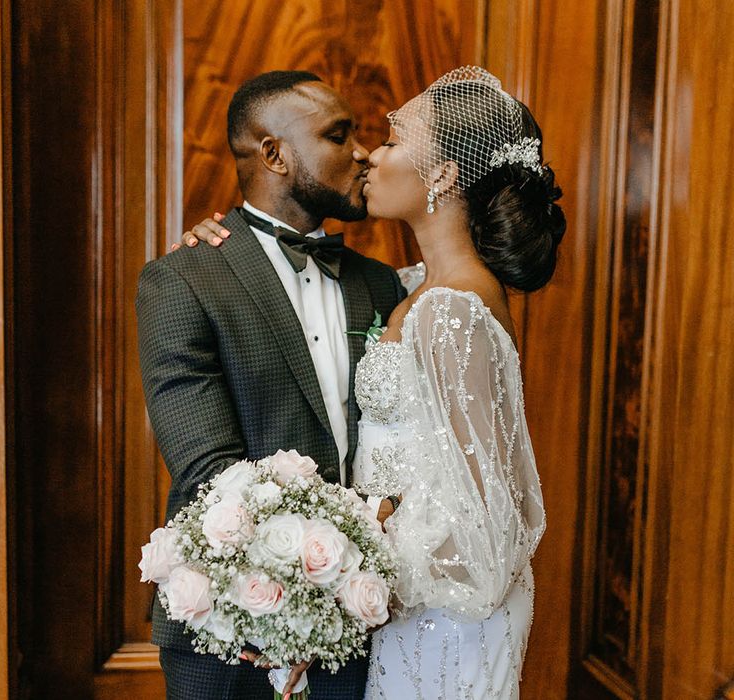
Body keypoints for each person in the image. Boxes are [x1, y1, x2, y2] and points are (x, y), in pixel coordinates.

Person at [185, 66, 565, 699]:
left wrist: (338, 589)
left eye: (391, 141)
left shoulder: (451, 311)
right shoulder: (413, 290)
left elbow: (488, 528)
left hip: (446, 620)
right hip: (408, 619)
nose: (370, 156)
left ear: (442, 174)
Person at [136, 70, 407, 700]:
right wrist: (281, 596)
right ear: (274, 154)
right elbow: (208, 471)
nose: (363, 153)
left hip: (363, 629)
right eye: (339, 135)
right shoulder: (183, 280)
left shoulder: (382, 285)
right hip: (230, 631)